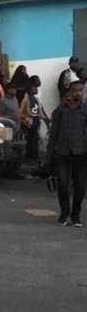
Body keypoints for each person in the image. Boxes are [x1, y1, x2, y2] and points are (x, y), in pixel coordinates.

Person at [47, 77, 87, 227]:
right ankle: (64, 214)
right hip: (62, 153)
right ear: (70, 92)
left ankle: (76, 216)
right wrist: (49, 155)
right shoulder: (60, 111)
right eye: (76, 90)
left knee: (80, 188)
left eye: (81, 91)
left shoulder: (85, 110)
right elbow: (53, 133)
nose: (78, 93)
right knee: (63, 186)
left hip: (81, 154)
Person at [0, 83, 25, 179]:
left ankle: (14, 171)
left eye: (15, 89)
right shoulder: (3, 101)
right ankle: (8, 172)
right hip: (7, 129)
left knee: (19, 150)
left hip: (16, 128)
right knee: (9, 151)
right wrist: (11, 117)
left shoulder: (15, 99)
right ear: (8, 90)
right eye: (12, 89)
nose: (15, 91)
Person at [21, 76, 49, 163]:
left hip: (35, 120)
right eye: (35, 87)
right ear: (30, 87)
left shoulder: (35, 98)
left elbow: (40, 109)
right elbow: (21, 111)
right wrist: (25, 119)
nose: (36, 89)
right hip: (29, 121)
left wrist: (46, 118)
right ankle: (31, 158)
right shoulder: (26, 97)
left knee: (35, 139)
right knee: (31, 140)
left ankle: (34, 157)